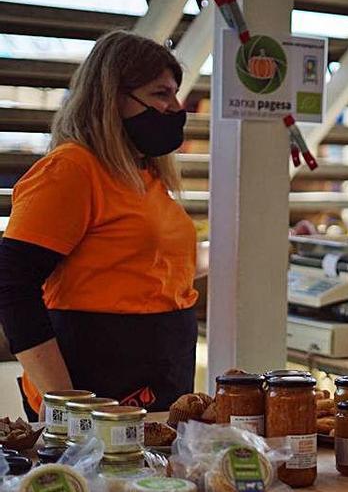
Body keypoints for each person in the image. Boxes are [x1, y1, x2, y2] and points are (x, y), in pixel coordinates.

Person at [0, 31, 201, 418]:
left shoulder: (145, 175)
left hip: (160, 375)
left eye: (175, 94)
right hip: (92, 383)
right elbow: (12, 283)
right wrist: (66, 402)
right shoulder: (72, 170)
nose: (176, 108)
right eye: (161, 94)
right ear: (114, 98)